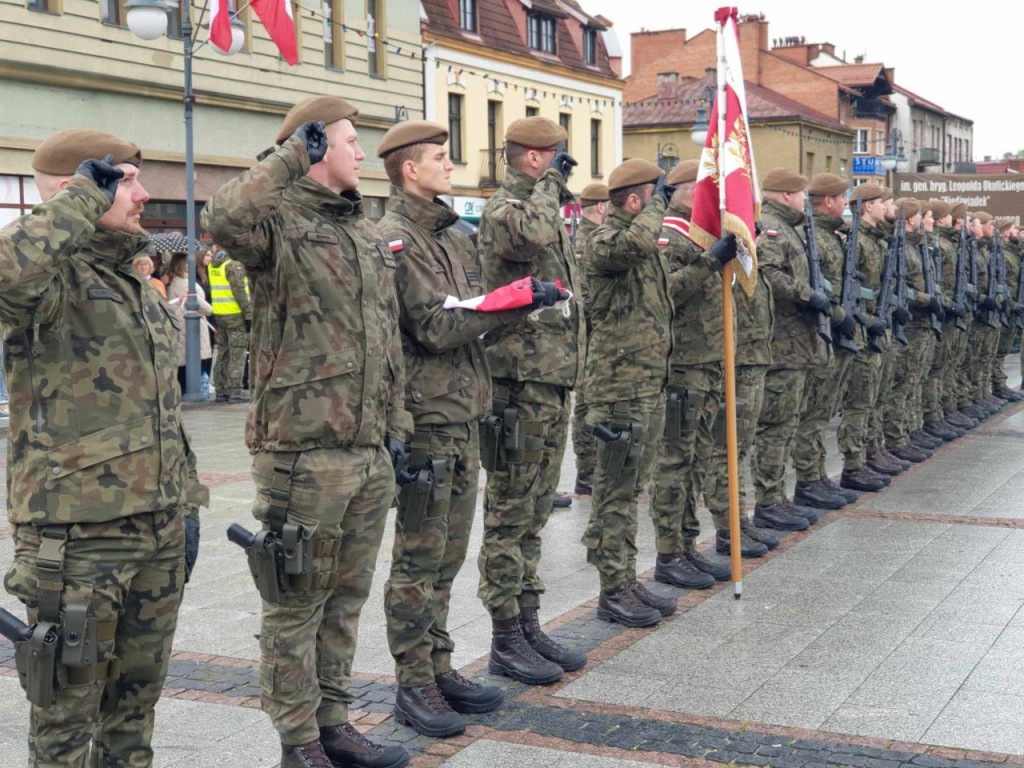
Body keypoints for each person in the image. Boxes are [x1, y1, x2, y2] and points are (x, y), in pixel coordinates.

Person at [202, 96, 414, 768]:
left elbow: (387, 341)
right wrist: (293, 153)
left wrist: (397, 425)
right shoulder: (278, 225)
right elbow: (224, 214)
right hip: (302, 452)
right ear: (318, 148)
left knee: (346, 599)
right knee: (296, 605)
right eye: (349, 141)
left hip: (367, 448)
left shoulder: (365, 233)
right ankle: (298, 744)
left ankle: (333, 722)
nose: (360, 154)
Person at [1, 128, 207, 766]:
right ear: (80, 188)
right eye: (126, 180)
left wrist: (186, 501)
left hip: (158, 526)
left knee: (133, 712)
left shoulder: (130, 277)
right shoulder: (48, 278)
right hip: (79, 540)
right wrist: (78, 201)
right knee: (66, 724)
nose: (144, 193)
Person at [376, 120, 566, 737]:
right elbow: (434, 326)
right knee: (418, 556)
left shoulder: (453, 236)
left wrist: (514, 303)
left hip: (463, 410)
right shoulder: (396, 237)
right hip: (427, 415)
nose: (450, 164)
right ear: (409, 168)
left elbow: (477, 309)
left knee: (449, 555)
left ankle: (439, 664)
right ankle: (413, 682)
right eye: (439, 156)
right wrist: (502, 307)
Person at [580, 158, 676, 627]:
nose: (662, 205)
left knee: (631, 488)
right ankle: (611, 588)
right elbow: (636, 242)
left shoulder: (638, 245)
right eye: (654, 195)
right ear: (635, 201)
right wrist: (659, 204)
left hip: (645, 384)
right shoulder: (604, 242)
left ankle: (627, 578)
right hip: (618, 392)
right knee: (614, 493)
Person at [649, 158, 747, 589]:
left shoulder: (697, 233)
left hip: (706, 364)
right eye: (707, 188)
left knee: (693, 461)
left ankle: (687, 546)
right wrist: (710, 260)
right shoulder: (666, 235)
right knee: (673, 463)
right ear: (686, 189)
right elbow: (665, 292)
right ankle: (669, 553)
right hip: (681, 366)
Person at [751, 169, 830, 530]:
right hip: (781, 344)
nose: (804, 200)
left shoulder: (788, 227)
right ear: (785, 195)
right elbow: (765, 273)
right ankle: (768, 500)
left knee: (787, 422)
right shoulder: (769, 227)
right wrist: (807, 294)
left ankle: (778, 496)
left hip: (796, 344)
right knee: (775, 426)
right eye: (800, 194)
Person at [796, 172, 862, 506]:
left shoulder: (832, 234)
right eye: (841, 198)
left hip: (832, 335)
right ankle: (808, 481)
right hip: (821, 334)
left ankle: (818, 475)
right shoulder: (815, 238)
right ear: (828, 201)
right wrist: (841, 317)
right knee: (814, 413)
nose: (845, 204)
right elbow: (819, 286)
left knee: (823, 411)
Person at [837, 184, 897, 491]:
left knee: (874, 397)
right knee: (858, 402)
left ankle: (873, 451)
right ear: (866, 207)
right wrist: (870, 320)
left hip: (875, 330)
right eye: (882, 202)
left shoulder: (878, 242)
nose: (888, 207)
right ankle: (853, 465)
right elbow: (847, 291)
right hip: (860, 332)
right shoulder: (856, 241)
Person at [571, 182, 609, 496]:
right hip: (588, 335)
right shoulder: (586, 241)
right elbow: (585, 297)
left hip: (595, 336)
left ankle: (591, 469)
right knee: (585, 405)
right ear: (601, 207)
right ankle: (586, 472)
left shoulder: (590, 237)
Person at [166, 252, 215, 395]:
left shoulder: (183, 280)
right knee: (191, 357)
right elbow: (197, 302)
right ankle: (192, 389)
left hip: (190, 323)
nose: (189, 266)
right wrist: (209, 309)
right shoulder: (182, 283)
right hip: (188, 324)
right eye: (186, 263)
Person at [208, 247, 252, 403]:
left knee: (223, 352)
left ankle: (221, 390)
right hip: (236, 314)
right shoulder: (234, 265)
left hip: (220, 314)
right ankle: (235, 390)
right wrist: (249, 313)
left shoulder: (214, 264)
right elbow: (239, 291)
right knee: (237, 354)